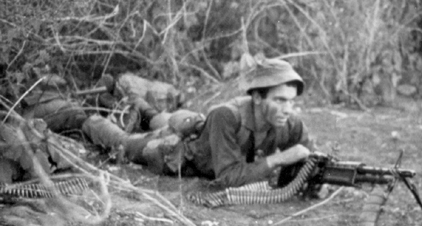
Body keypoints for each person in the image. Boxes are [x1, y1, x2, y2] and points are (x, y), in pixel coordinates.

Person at [81, 56, 314, 189]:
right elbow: (228, 178)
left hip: (197, 127)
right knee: (123, 143)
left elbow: (310, 157)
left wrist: (317, 179)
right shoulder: (227, 115)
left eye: (291, 102)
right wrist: (280, 159)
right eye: (280, 100)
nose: (288, 109)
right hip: (178, 151)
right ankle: (82, 115)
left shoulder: (290, 122)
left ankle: (130, 101)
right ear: (256, 97)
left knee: (155, 118)